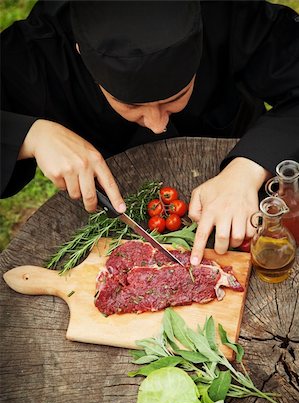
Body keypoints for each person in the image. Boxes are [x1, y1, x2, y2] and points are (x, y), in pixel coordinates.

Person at [1, 1, 299, 265]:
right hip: (111, 206)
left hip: (245, 182)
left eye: (175, 97)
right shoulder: (38, 50)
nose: (158, 125)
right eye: (131, 104)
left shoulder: (227, 11)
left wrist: (248, 168)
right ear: (81, 52)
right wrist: (29, 135)